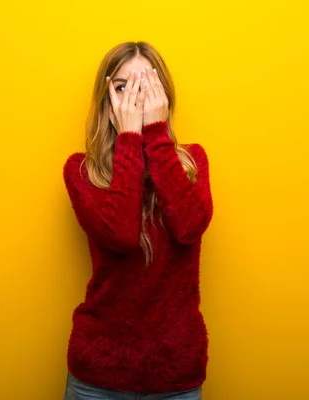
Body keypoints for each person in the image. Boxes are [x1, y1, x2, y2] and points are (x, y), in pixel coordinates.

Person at [62, 41, 213, 400]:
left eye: (147, 84)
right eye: (121, 87)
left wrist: (156, 135)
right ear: (105, 100)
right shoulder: (82, 170)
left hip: (176, 371)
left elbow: (189, 226)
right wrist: (129, 136)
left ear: (164, 94)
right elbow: (122, 235)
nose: (134, 97)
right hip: (99, 373)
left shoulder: (193, 162)